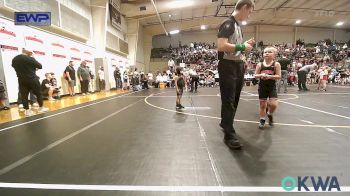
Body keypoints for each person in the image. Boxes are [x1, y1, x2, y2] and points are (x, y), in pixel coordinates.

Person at [217, 0, 255, 150]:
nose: (249, 15)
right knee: (229, 99)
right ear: (244, 7)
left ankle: (225, 124)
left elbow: (235, 47)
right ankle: (229, 134)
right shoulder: (228, 23)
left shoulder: (238, 26)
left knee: (235, 99)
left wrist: (244, 47)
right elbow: (221, 46)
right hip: (228, 65)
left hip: (237, 65)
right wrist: (242, 46)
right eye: (250, 11)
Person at [12, 48, 48, 116]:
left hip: (21, 80)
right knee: (38, 93)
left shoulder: (15, 59)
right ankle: (41, 108)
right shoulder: (30, 58)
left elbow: (16, 67)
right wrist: (33, 57)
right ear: (29, 52)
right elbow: (40, 66)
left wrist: (30, 68)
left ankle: (28, 111)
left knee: (24, 96)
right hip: (32, 79)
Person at [254, 46, 281, 129]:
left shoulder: (276, 64)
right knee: (262, 105)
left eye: (269, 52)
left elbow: (278, 76)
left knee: (273, 104)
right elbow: (255, 75)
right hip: (262, 87)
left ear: (274, 55)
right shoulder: (260, 64)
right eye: (265, 52)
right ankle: (262, 119)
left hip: (271, 87)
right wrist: (261, 75)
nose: (267, 53)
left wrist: (269, 77)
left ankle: (269, 113)